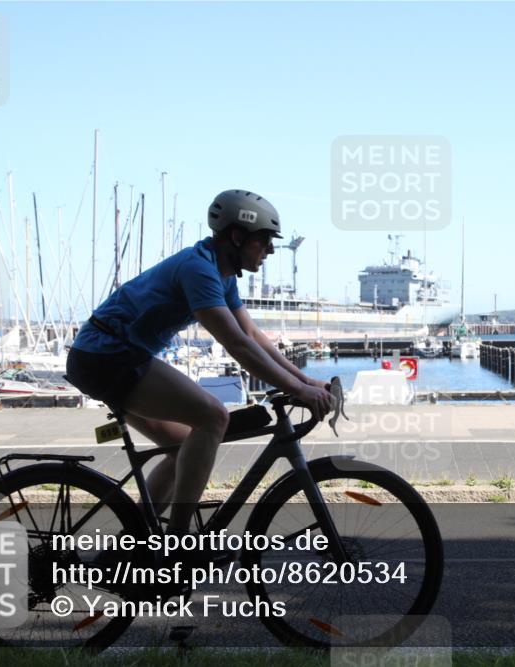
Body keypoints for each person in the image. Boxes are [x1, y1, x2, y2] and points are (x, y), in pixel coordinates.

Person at [66, 189, 334, 539]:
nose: (270, 249)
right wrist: (296, 389)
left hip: (114, 355)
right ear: (237, 237)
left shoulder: (221, 273)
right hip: (107, 357)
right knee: (213, 417)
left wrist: (306, 383)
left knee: (183, 451)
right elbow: (236, 343)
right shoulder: (199, 271)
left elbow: (251, 334)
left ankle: (136, 543)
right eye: (265, 240)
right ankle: (178, 540)